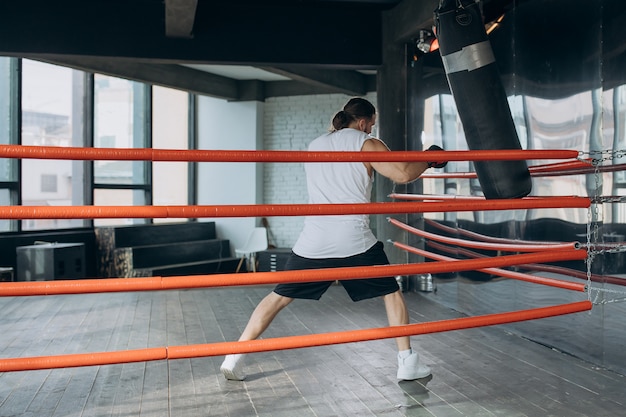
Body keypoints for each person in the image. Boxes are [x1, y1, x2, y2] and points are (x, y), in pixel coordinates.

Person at [221, 97, 446, 381]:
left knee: (278, 297)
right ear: (363, 122)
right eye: (371, 125)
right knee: (391, 292)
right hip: (353, 240)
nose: (371, 130)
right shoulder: (367, 143)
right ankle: (407, 362)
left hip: (313, 241)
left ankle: (235, 356)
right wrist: (427, 159)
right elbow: (402, 173)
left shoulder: (315, 145)